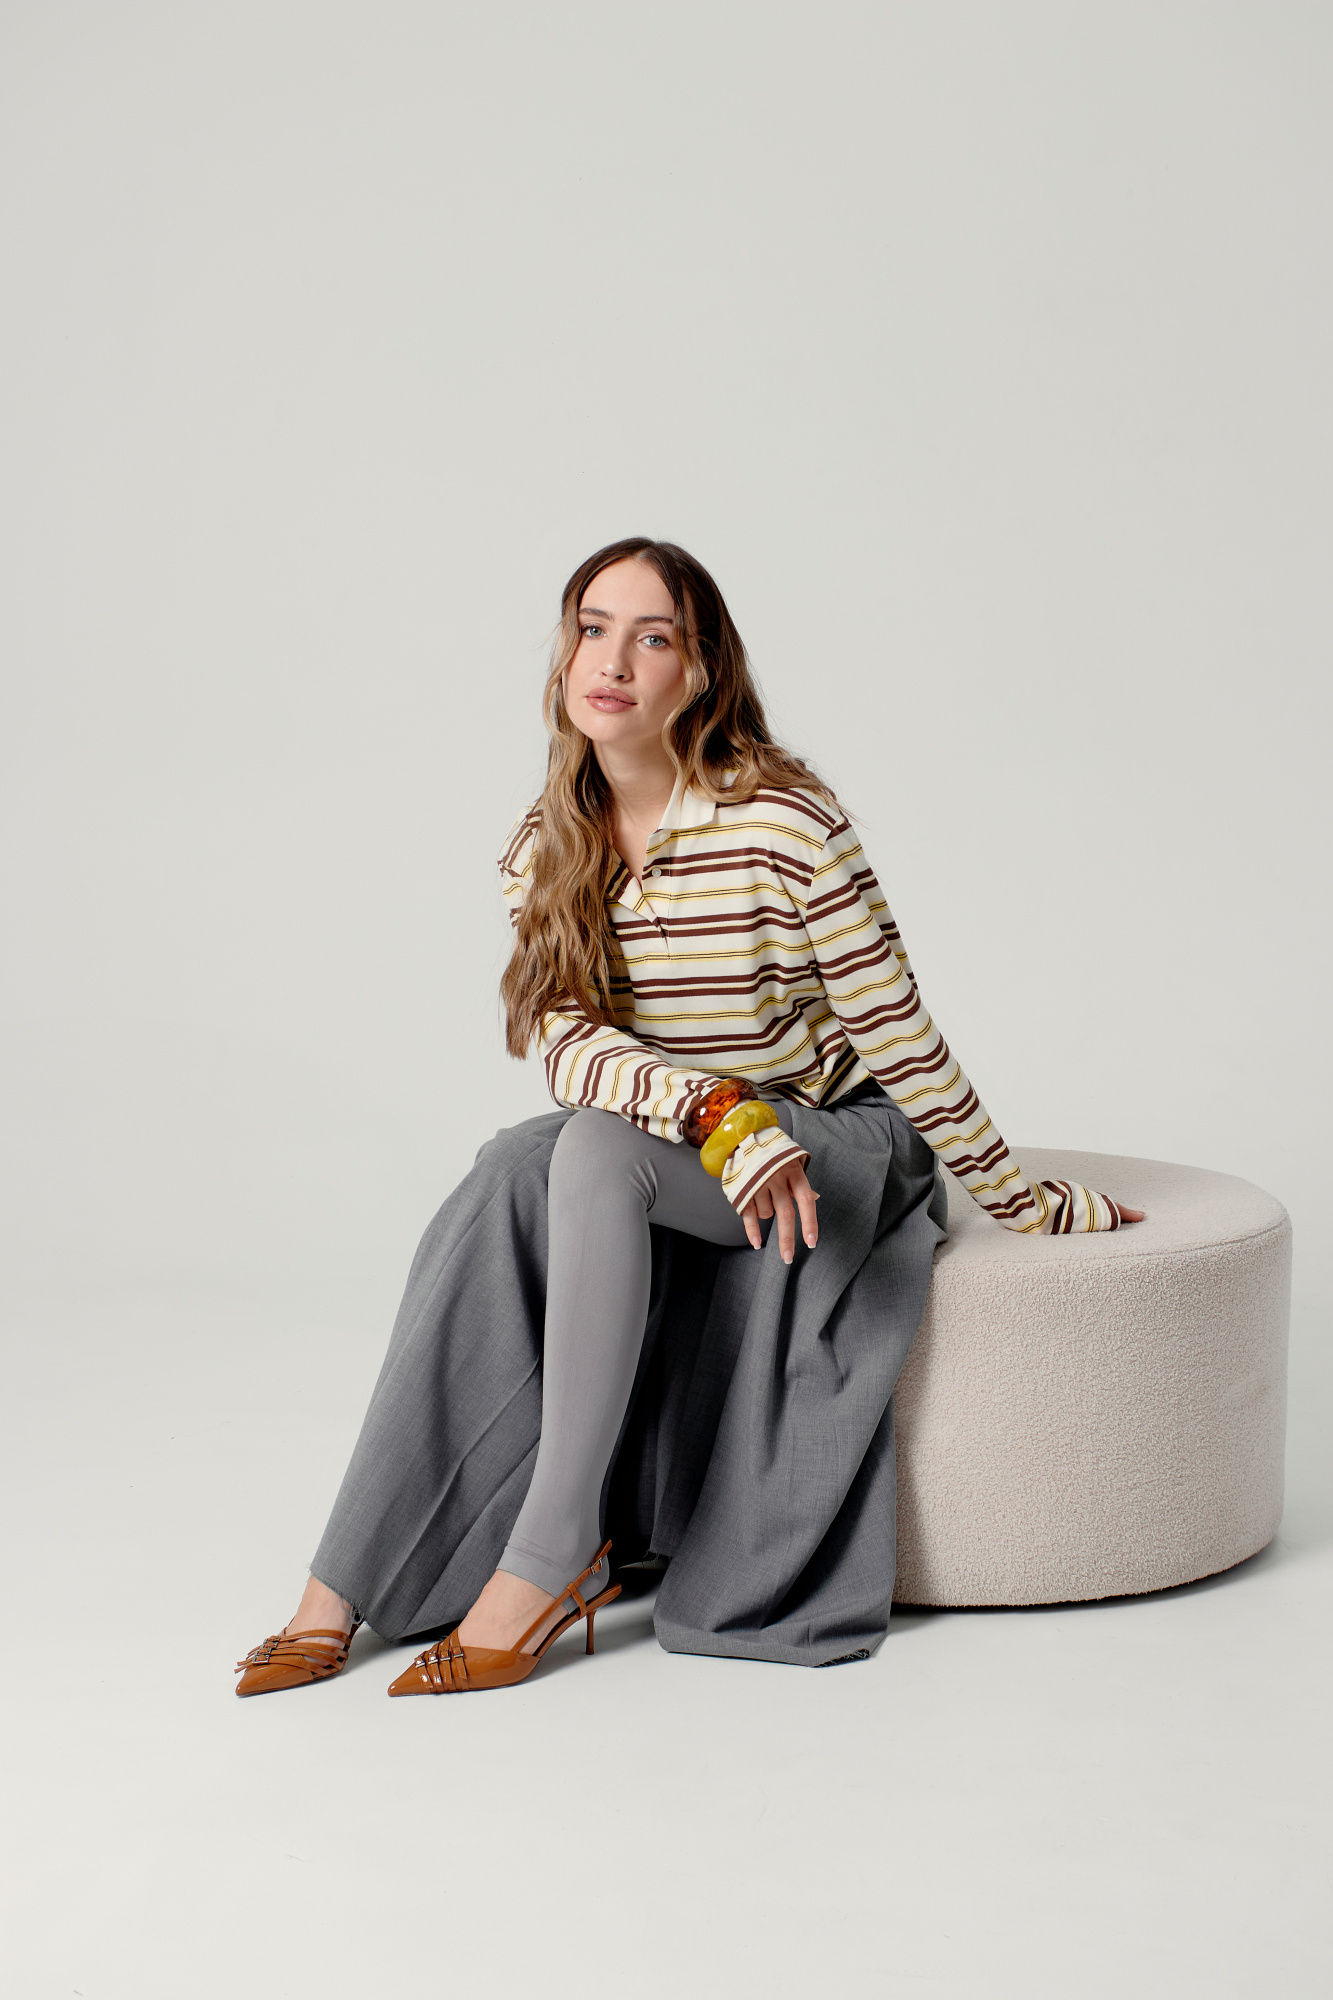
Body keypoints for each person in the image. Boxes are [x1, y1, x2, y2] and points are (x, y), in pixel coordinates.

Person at [235, 537, 1144, 1698]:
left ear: (699, 669)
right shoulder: (544, 842)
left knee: (595, 1150)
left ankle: (552, 1557)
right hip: (694, 1134)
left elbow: (900, 1039)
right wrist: (712, 1108)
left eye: (651, 636)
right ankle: (342, 1580)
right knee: (507, 1172)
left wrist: (1025, 1199)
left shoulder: (788, 825)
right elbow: (564, 1042)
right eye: (591, 628)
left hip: (833, 1137)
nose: (610, 660)